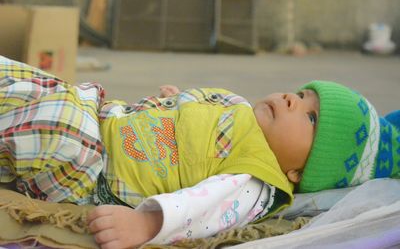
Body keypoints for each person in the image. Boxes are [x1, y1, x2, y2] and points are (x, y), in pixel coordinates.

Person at [0, 55, 399, 249]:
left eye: (311, 118)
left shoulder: (256, 179)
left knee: (55, 126)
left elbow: (204, 208)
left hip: (93, 168)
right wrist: (175, 102)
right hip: (99, 113)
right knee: (35, 83)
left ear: (300, 172)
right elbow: (196, 118)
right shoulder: (239, 106)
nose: (292, 100)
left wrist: (147, 225)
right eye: (299, 93)